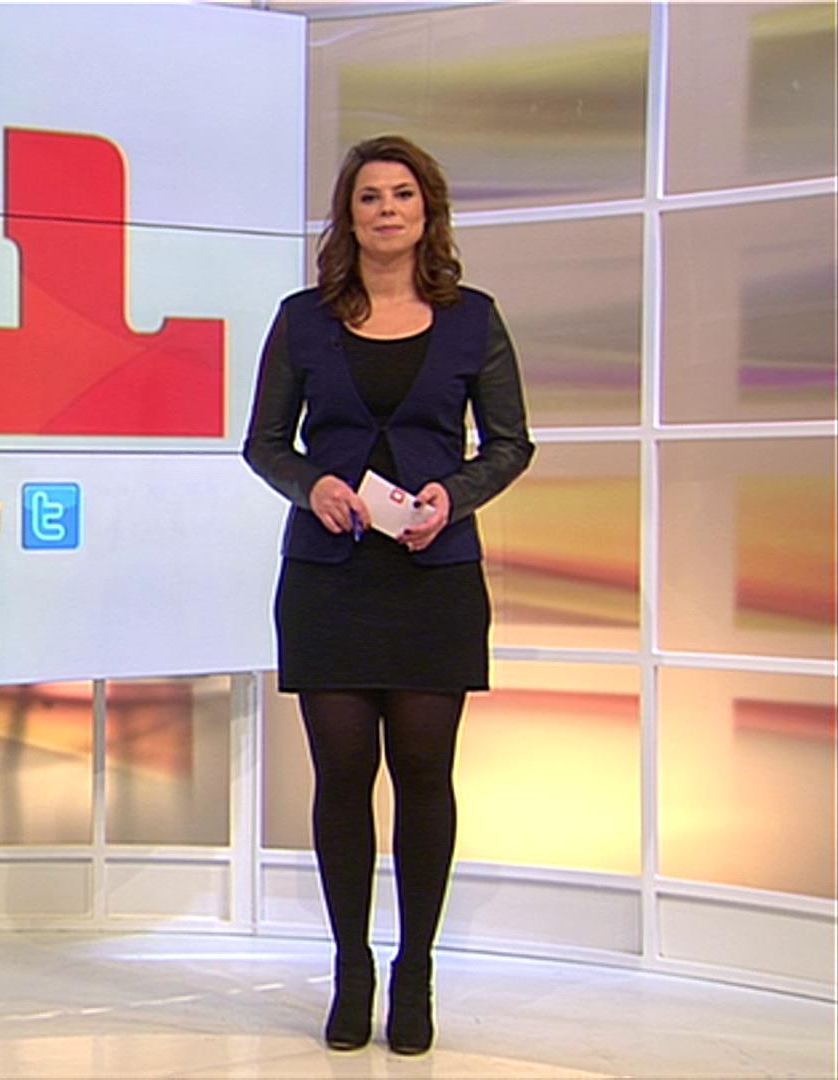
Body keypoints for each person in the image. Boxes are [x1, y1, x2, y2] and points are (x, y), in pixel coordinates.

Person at [242, 135, 533, 1055]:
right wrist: (312, 486)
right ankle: (351, 970)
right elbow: (265, 443)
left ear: (426, 210)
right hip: (328, 579)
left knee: (423, 775)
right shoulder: (303, 319)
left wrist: (454, 495)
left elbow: (510, 444)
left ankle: (415, 973)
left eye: (403, 194)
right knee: (341, 779)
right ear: (349, 215)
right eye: (370, 196)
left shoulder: (473, 319)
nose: (387, 210)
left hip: (431, 577)